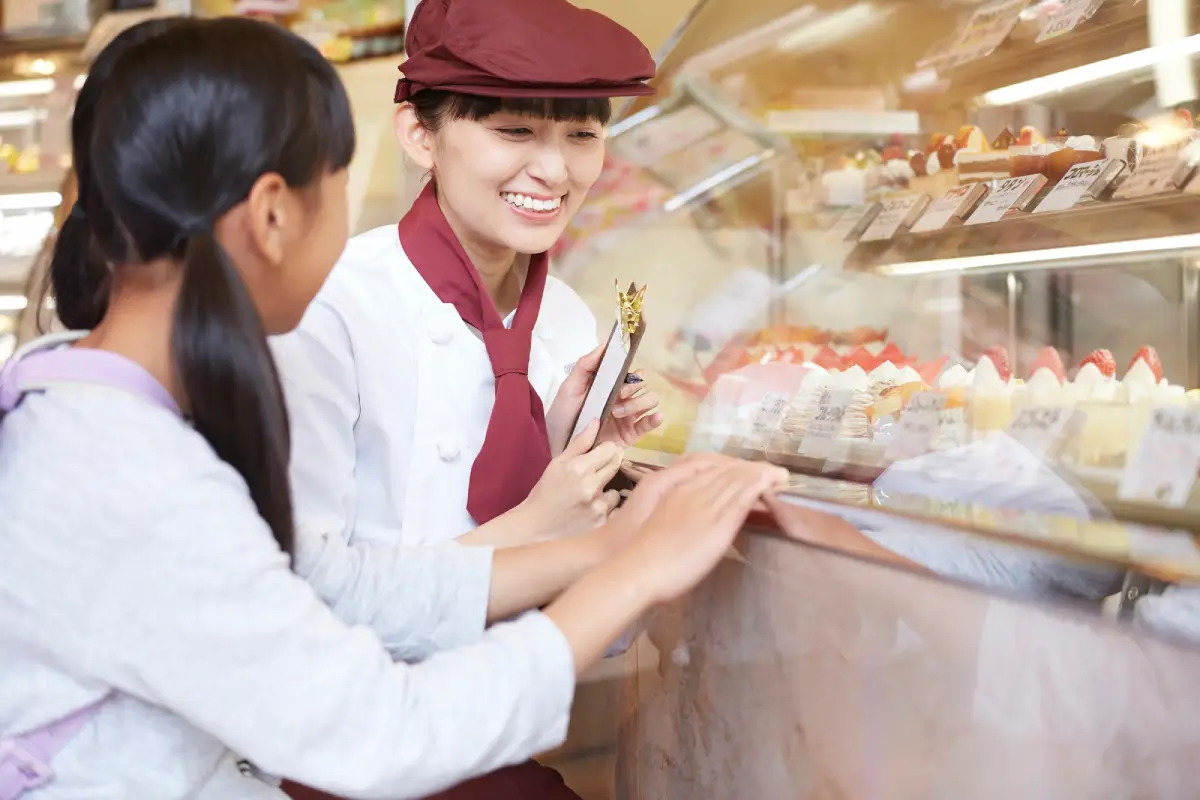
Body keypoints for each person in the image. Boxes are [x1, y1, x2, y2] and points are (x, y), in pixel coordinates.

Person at [0, 16, 787, 800]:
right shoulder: (126, 472)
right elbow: (380, 730)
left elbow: (341, 581)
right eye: (340, 183)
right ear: (274, 215)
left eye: (581, 135)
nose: (553, 169)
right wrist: (633, 567)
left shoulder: (99, 416)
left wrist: (603, 549)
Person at [270, 3, 666, 794]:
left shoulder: (566, 316)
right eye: (515, 132)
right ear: (421, 134)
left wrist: (574, 459)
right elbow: (300, 607)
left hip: (499, 736)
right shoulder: (330, 307)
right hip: (349, 758)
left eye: (582, 136)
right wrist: (539, 525)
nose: (555, 172)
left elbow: (591, 632)